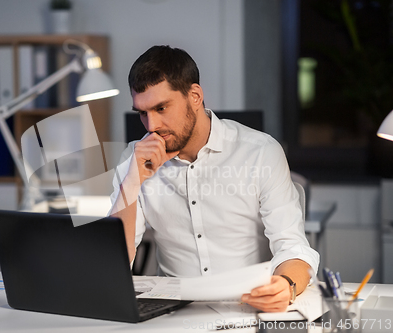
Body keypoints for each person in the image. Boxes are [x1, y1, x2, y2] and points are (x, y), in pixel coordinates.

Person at [109, 45, 319, 312]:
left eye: (161, 108)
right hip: (174, 314)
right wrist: (132, 182)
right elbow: (114, 264)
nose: (151, 126)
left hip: (248, 307)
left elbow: (293, 248)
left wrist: (286, 285)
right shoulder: (134, 159)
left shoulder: (261, 152)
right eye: (142, 112)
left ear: (195, 95)